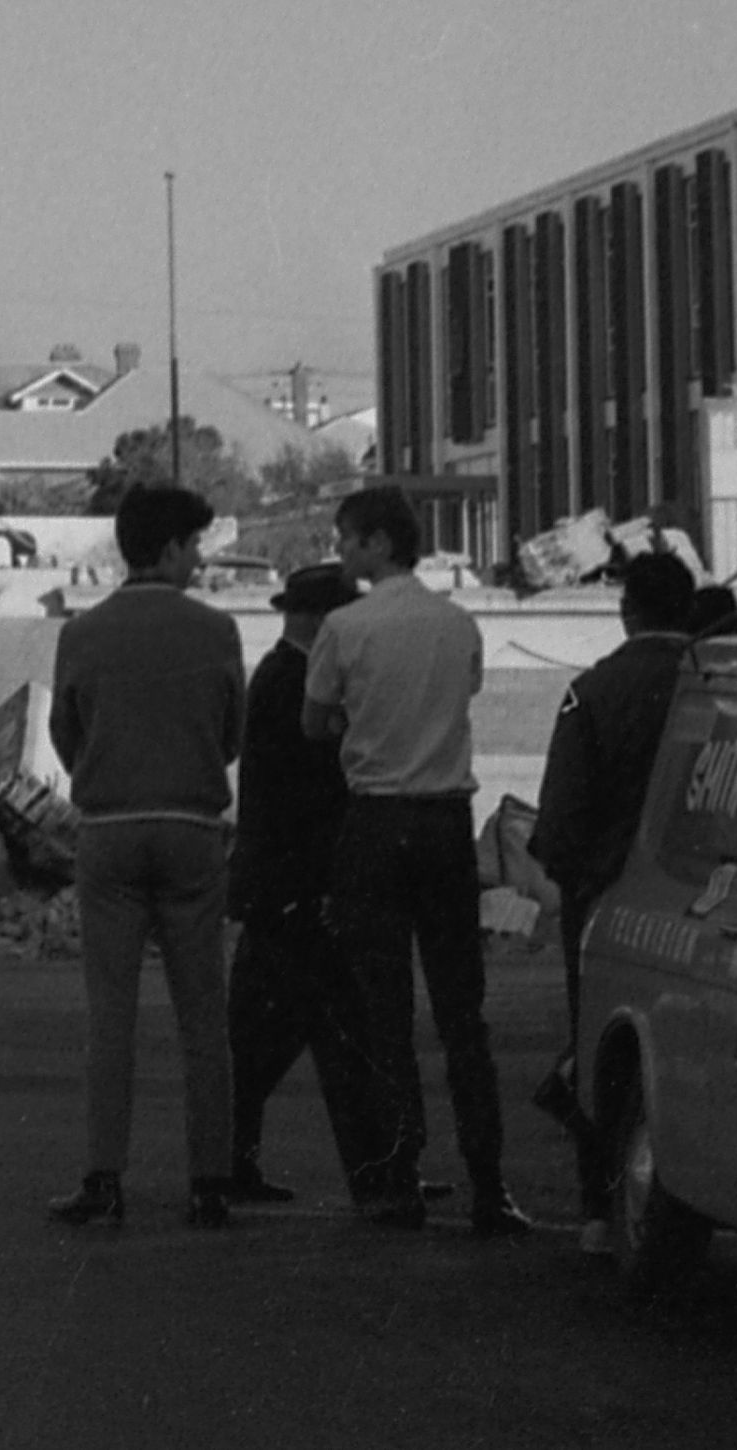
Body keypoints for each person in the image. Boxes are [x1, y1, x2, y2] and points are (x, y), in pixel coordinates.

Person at [302, 484, 527, 1232]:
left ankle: (400, 1173)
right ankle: (488, 1181)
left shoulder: (343, 626)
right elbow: (464, 694)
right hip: (442, 820)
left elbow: (316, 720)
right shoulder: (457, 624)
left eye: (346, 538)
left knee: (384, 1010)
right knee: (462, 1012)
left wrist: (358, 729)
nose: (340, 551)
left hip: (373, 820)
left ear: (376, 542)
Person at [43, 483, 249, 1229]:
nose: (198, 560)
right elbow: (234, 734)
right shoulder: (217, 630)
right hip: (191, 826)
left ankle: (104, 1175)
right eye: (194, 546)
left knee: (112, 1014)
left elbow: (66, 733)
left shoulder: (82, 632)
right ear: (168, 548)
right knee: (203, 1016)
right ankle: (209, 1180)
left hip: (110, 827)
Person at [524, 550, 700, 1151]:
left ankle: (602, 1201)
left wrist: (570, 874)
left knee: (601, 1043)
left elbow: (561, 819)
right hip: (706, 901)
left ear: (627, 612)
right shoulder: (724, 686)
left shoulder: (593, 690)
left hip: (606, 895)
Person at [224, 559, 382, 1206]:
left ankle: (235, 1163)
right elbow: (314, 794)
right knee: (330, 1035)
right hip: (298, 889)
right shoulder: (298, 682)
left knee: (273, 1038)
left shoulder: (281, 675)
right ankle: (375, 1172)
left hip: (277, 887)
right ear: (322, 621)